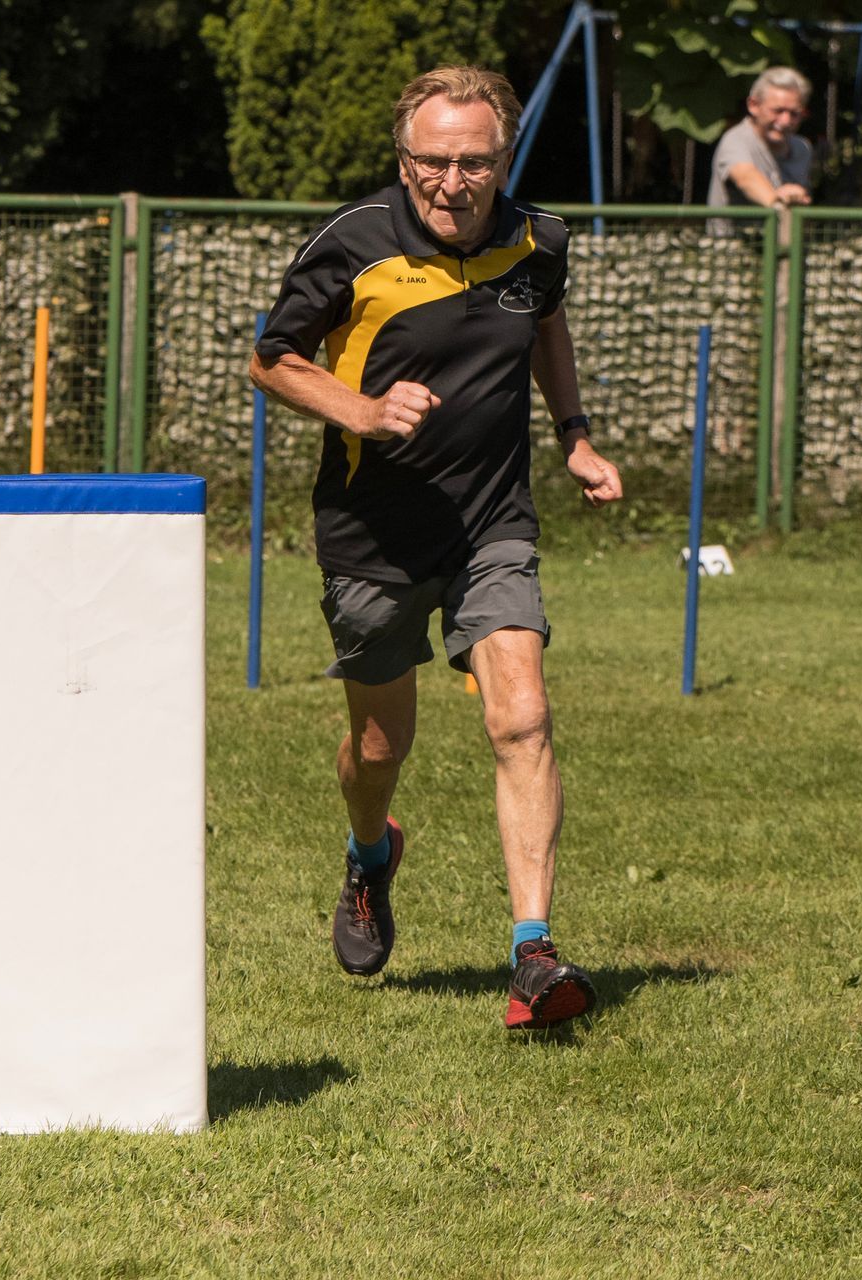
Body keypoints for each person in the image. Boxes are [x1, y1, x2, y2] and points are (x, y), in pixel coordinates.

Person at [248, 65, 623, 1031]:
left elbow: (546, 326)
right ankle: (370, 854)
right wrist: (364, 412)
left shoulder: (540, 241)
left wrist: (575, 435)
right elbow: (272, 359)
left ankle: (533, 953)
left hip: (493, 523)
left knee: (522, 719)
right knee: (380, 748)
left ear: (504, 158)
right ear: (403, 156)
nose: (451, 183)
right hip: (371, 533)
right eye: (432, 161)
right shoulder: (354, 242)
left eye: (474, 163)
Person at [708, 67, 814, 214]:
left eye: (794, 113)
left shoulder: (802, 147)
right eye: (778, 111)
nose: (785, 121)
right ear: (753, 105)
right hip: (740, 230)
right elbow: (746, 177)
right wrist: (778, 201)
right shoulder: (736, 140)